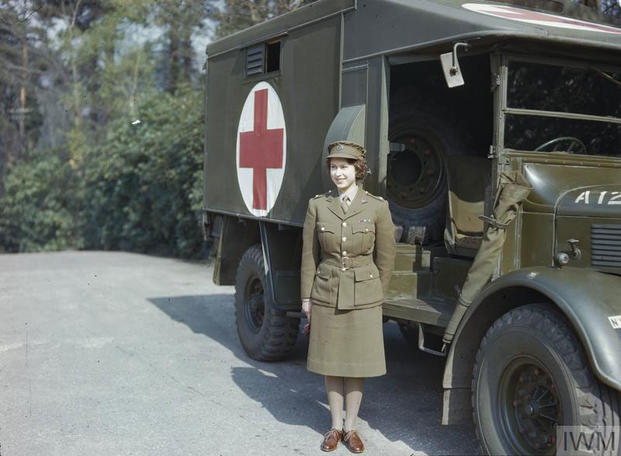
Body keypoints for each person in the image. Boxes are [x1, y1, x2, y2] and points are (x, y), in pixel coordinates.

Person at [300, 140, 396, 453]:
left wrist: (376, 293)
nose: (338, 173)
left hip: (364, 295)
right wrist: (306, 298)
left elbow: (386, 257)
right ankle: (335, 427)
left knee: (356, 364)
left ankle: (351, 428)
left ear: (358, 169)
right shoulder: (318, 205)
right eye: (333, 167)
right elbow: (309, 256)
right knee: (332, 362)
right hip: (326, 291)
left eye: (344, 167)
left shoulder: (377, 207)